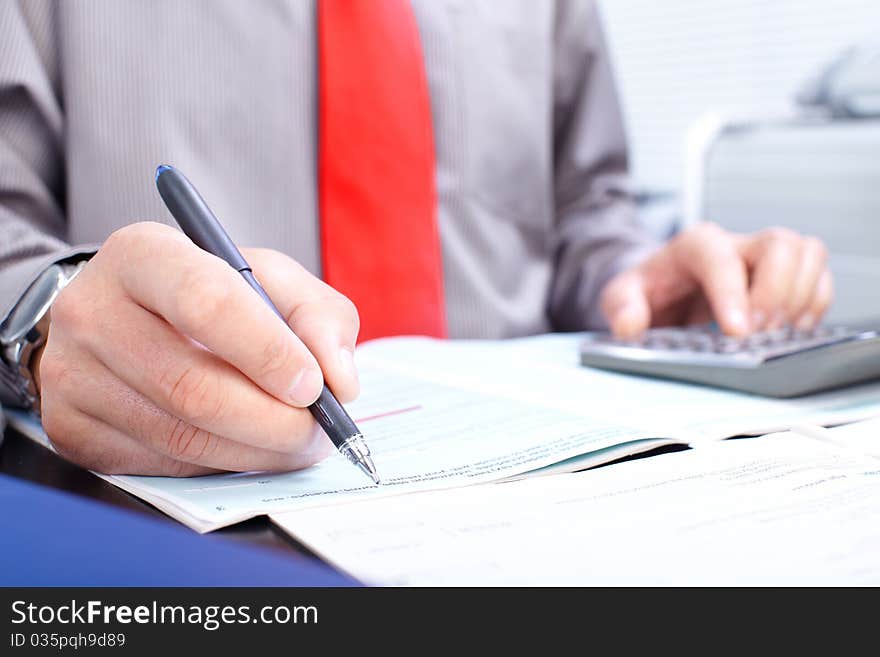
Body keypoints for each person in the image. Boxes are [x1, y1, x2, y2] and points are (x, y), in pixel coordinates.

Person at [0, 0, 832, 476]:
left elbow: (583, 204)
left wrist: (635, 277)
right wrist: (44, 319)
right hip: (177, 535)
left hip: (542, 497)